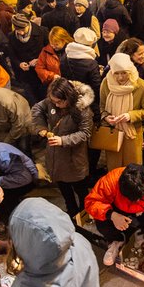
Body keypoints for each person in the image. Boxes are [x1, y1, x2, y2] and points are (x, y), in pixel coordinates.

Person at [31, 78, 94, 214]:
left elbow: (85, 133)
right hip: (55, 156)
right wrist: (41, 127)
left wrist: (63, 140)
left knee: (80, 189)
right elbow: (37, 108)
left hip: (74, 158)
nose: (56, 105)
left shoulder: (83, 109)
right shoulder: (52, 102)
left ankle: (85, 213)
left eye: (60, 102)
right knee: (64, 189)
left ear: (68, 96)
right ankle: (71, 211)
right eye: (54, 102)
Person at [98, 53, 144, 170]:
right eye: (116, 73)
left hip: (132, 135)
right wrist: (106, 117)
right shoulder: (106, 83)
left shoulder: (141, 86)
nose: (120, 77)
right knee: (114, 169)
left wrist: (130, 115)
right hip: (113, 133)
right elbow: (102, 107)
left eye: (124, 73)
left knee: (133, 170)